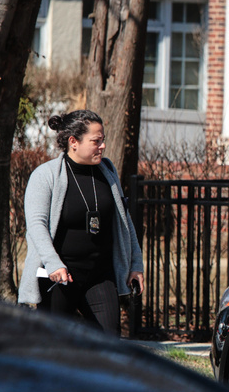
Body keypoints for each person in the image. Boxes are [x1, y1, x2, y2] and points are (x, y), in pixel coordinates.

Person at [18, 109, 144, 335]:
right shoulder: (45, 175)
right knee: (54, 347)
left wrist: (136, 264)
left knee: (110, 342)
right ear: (73, 142)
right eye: (96, 141)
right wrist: (53, 263)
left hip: (99, 275)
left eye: (102, 140)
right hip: (59, 277)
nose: (102, 146)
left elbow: (124, 221)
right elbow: (36, 225)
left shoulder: (108, 172)